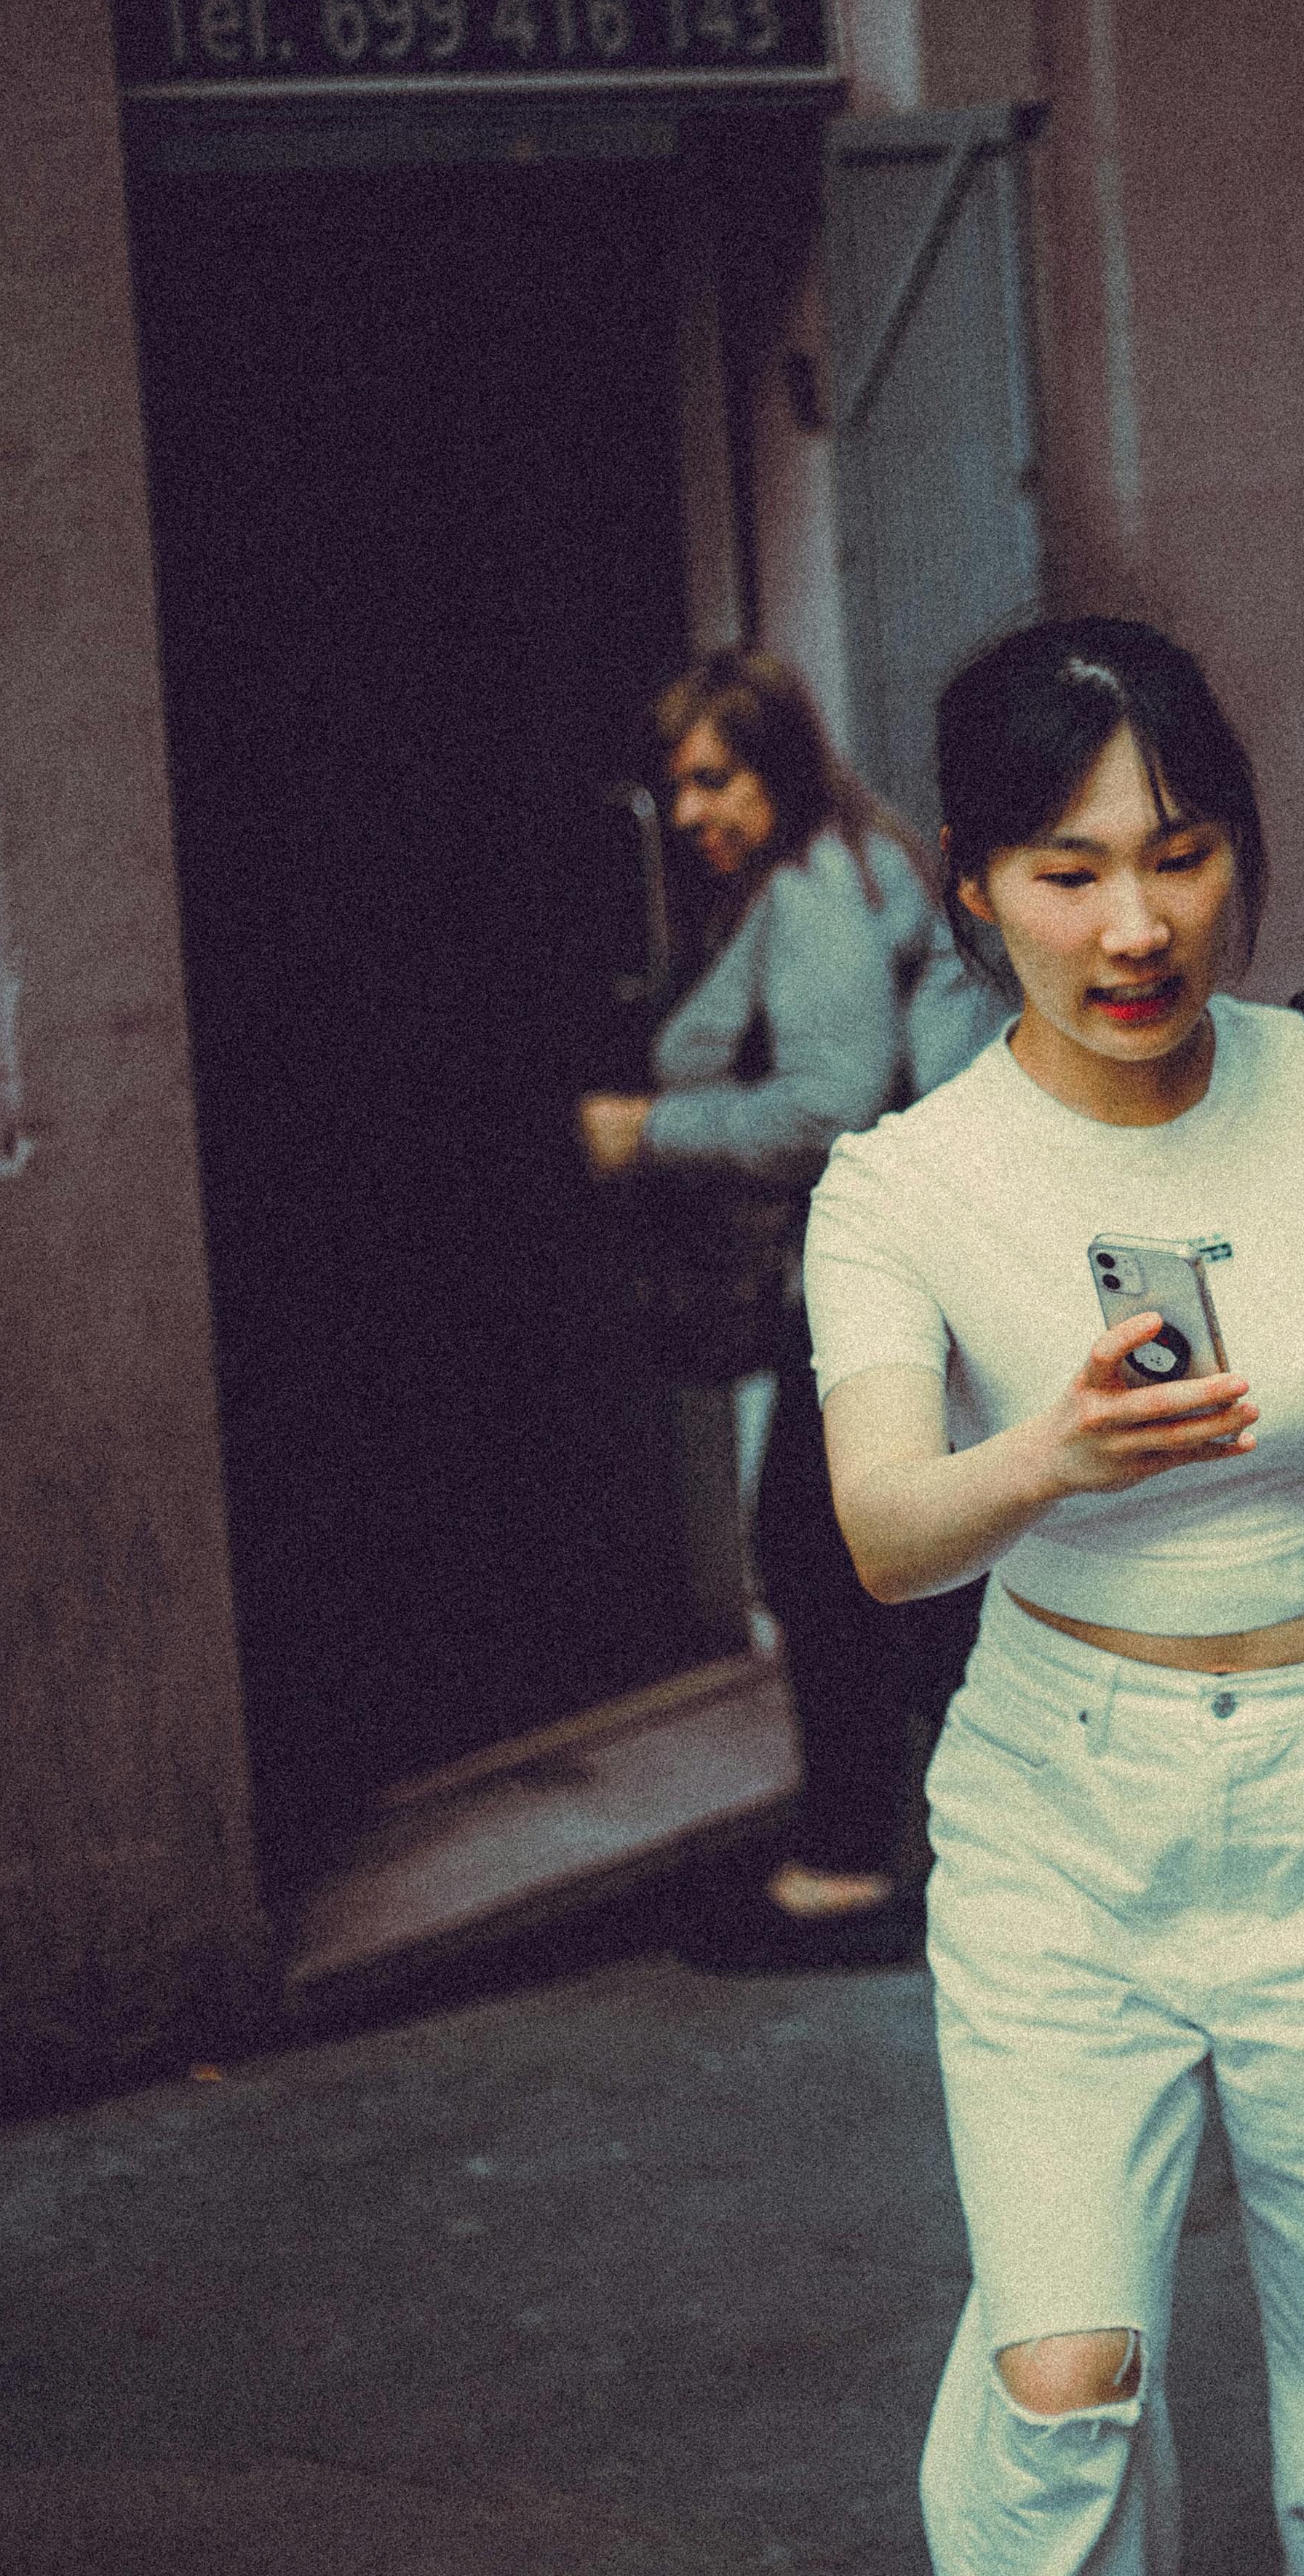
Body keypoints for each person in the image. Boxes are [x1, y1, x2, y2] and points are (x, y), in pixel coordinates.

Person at [803, 617, 1304, 2576]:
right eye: (1071, 871)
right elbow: (883, 1532)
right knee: (1061, 2397)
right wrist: (1052, 1457)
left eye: (1182, 855)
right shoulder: (903, 1184)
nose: (1137, 926)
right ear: (973, 886)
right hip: (1063, 1819)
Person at [577, 646, 999, 1967]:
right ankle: (927, 1848)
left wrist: (646, 1131)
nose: (689, 812)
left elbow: (834, 1102)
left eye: (717, 779)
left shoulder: (817, 890)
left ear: (779, 768)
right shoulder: (842, 866)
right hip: (919, 1260)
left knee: (821, 1559)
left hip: (882, 1272)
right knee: (886, 1566)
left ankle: (851, 1866)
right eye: (676, 786)